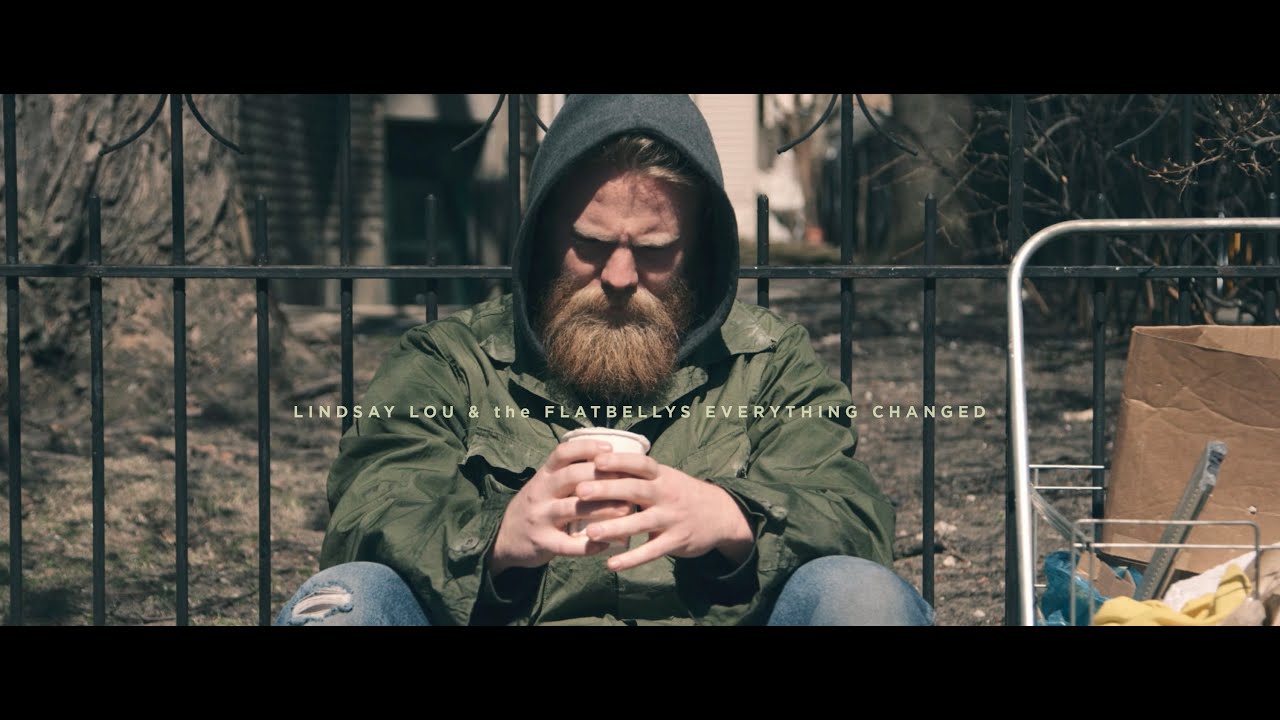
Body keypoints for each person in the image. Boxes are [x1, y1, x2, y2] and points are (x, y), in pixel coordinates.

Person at [275, 94, 934, 626]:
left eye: (654, 250)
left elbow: (850, 511)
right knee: (345, 600)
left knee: (862, 596)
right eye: (589, 245)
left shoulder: (768, 362)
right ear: (542, 235)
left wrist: (736, 521)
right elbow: (367, 511)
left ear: (699, 249)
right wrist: (496, 538)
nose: (619, 277)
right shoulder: (449, 362)